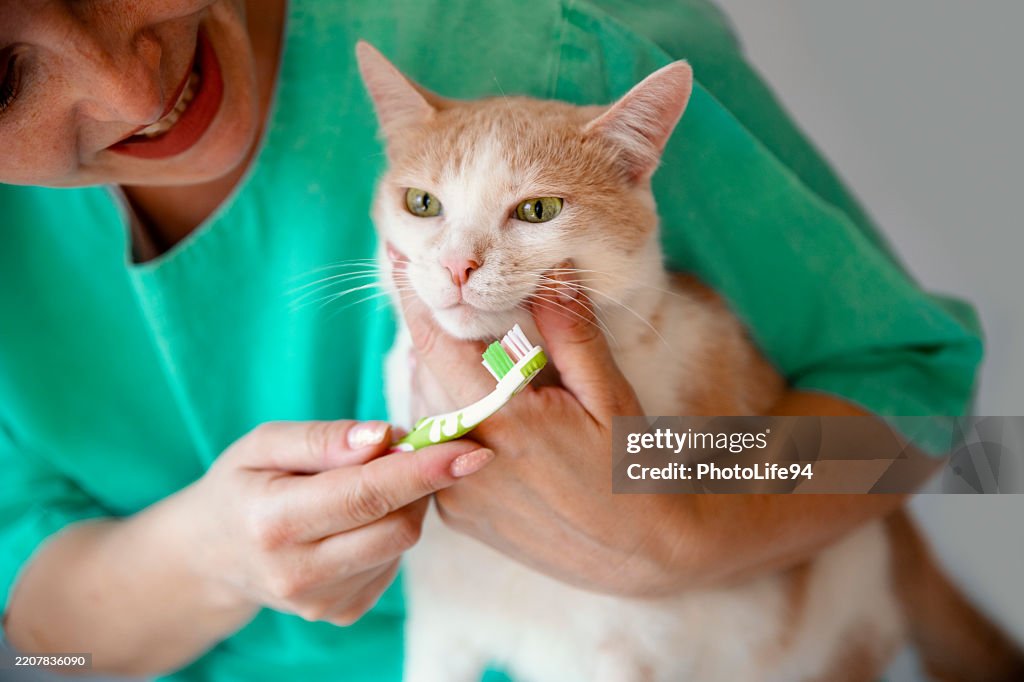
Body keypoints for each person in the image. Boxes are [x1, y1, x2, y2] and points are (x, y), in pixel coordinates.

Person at [0, 1, 982, 680]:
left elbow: (959, 444)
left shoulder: (578, 50)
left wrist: (678, 517)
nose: (129, 88)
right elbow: (29, 651)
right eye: (2, 71)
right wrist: (212, 555)